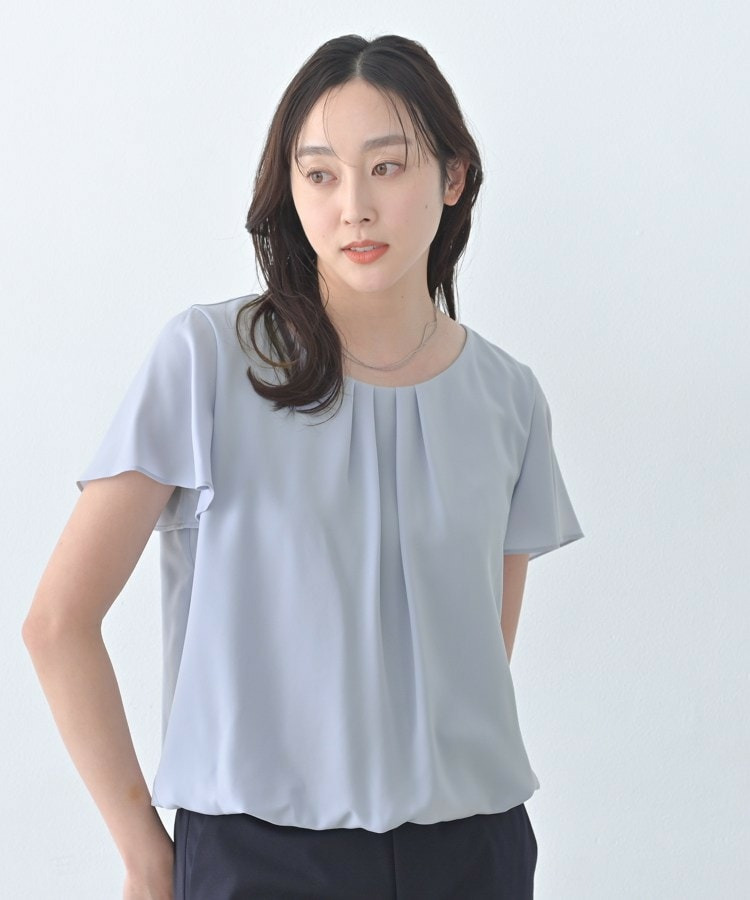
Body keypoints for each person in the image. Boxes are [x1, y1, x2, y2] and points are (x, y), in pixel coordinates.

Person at [21, 33, 585, 900]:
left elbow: (477, 657)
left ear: (453, 177)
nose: (354, 207)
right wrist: (145, 856)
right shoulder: (210, 360)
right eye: (320, 174)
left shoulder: (508, 397)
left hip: (474, 852)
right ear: (289, 190)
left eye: (386, 168)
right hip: (258, 858)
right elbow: (57, 623)